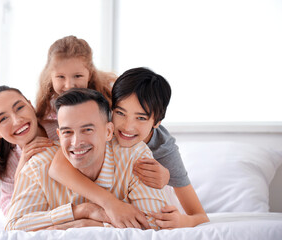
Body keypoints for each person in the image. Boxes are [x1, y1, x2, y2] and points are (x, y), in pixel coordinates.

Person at [49, 67, 209, 229]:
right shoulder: (102, 127)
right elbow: (57, 168)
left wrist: (184, 220)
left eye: (140, 118)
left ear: (156, 122)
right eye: (120, 113)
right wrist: (111, 203)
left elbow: (200, 215)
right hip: (110, 207)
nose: (127, 127)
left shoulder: (164, 150)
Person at [5, 88, 175, 231]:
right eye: (67, 132)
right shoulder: (38, 166)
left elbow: (155, 224)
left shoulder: (134, 156)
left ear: (109, 132)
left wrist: (90, 225)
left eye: (87, 130)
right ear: (58, 134)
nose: (76, 142)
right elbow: (14, 226)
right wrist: (81, 211)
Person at [0, 86, 56, 216]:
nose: (17, 120)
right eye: (3, 119)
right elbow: (11, 211)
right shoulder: (11, 161)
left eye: (20, 108)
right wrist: (21, 171)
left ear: (31, 106)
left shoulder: (61, 126)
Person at [35, 35, 116, 138]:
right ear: (50, 77)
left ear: (90, 74)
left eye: (78, 76)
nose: (69, 85)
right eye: (60, 77)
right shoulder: (48, 107)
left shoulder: (108, 94)